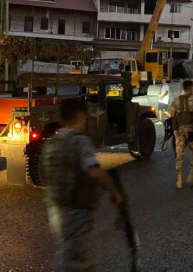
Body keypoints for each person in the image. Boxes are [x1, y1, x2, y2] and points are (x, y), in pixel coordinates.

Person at [41, 99, 123, 272]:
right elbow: (94, 171)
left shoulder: (51, 143)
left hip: (55, 208)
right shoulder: (79, 141)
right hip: (75, 208)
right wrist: (114, 191)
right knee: (75, 259)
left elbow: (44, 176)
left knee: (69, 249)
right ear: (81, 116)